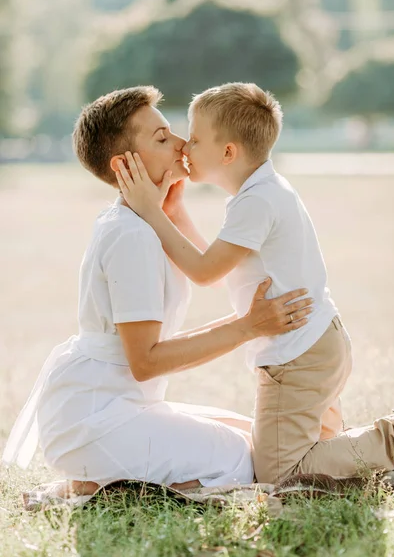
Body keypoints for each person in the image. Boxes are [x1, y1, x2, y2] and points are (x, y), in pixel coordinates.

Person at [2, 86, 311, 496]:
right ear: (124, 164)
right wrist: (248, 327)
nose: (183, 144)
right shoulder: (131, 236)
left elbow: (208, 271)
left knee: (254, 436)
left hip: (119, 404)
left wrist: (172, 207)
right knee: (243, 461)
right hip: (96, 418)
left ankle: (100, 479)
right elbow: (145, 361)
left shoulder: (143, 222)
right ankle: (91, 487)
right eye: (163, 139)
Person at [115, 82, 394, 484]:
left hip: (298, 356)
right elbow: (219, 270)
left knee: (280, 474)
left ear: (228, 152)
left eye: (194, 139)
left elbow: (204, 271)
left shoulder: (257, 202)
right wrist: (175, 214)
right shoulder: (263, 191)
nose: (184, 148)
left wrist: (151, 211)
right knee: (317, 464)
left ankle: (392, 439)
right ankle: (367, 462)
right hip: (318, 343)